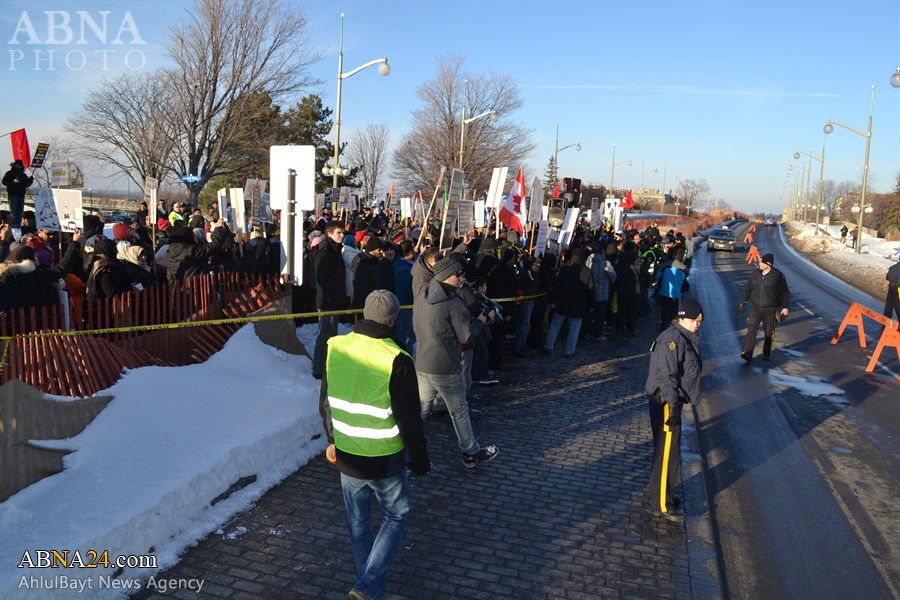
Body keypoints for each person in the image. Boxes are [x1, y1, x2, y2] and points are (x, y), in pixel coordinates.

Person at [319, 290, 429, 600]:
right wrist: (420, 459)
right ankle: (367, 585)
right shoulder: (397, 358)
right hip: (385, 458)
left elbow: (325, 400)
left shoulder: (336, 347)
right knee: (395, 516)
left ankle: (367, 586)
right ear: (394, 319)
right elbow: (410, 420)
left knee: (358, 523)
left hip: (348, 454)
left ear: (365, 314)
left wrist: (331, 440)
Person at [413, 255, 499, 468]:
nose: (461, 278)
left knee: (420, 412)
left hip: (423, 363)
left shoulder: (422, 294)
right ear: (444, 276)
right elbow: (466, 337)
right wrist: (481, 321)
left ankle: (401, 449)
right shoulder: (453, 302)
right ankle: (470, 452)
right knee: (458, 411)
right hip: (446, 367)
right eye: (457, 274)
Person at [644, 298, 704, 522]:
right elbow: (665, 376)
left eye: (699, 321)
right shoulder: (673, 339)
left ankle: (661, 494)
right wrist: (675, 405)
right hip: (667, 404)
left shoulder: (681, 336)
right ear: (682, 318)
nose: (697, 324)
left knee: (667, 453)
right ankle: (660, 503)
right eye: (694, 320)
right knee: (667, 454)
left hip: (671, 402)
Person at [312, 221, 349, 380]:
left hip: (335, 299)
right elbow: (320, 279)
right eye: (338, 233)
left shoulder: (336, 250)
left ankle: (328, 365)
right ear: (329, 233)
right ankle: (318, 369)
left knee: (332, 335)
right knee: (324, 334)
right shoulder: (324, 251)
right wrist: (328, 297)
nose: (341, 235)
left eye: (343, 233)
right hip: (327, 301)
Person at [738, 253, 790, 361]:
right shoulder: (755, 273)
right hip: (756, 307)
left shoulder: (778, 276)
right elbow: (749, 288)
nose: (759, 263)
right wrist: (743, 300)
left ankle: (766, 353)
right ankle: (747, 353)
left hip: (770, 309)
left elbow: (784, 292)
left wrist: (785, 307)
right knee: (751, 329)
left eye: (762, 262)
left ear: (768, 264)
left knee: (768, 331)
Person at [2, 159, 33, 228]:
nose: (18, 166)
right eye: (17, 165)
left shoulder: (23, 175)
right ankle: (12, 224)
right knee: (13, 210)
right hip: (12, 194)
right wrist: (12, 181)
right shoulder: (9, 173)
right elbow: (4, 182)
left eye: (19, 165)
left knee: (20, 210)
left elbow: (26, 184)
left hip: (21, 194)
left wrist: (30, 179)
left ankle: (18, 223)